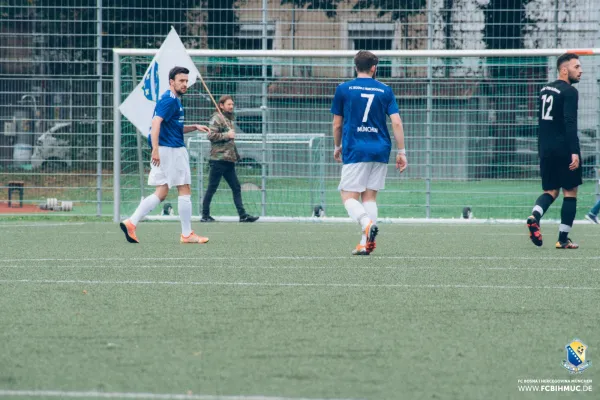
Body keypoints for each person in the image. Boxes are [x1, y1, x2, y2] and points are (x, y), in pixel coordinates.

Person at [120, 66, 211, 244]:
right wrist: (155, 148)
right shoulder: (169, 100)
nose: (185, 84)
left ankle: (131, 222)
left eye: (186, 81)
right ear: (172, 82)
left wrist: (194, 127)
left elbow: (173, 127)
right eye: (181, 81)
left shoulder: (173, 99)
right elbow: (156, 123)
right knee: (184, 188)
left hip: (166, 149)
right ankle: (187, 234)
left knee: (161, 192)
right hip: (172, 150)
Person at [330, 50, 407, 255]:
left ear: (356, 67)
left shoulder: (343, 89)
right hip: (380, 149)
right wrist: (402, 152)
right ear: (374, 68)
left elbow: (337, 124)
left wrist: (337, 147)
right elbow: (396, 122)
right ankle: (366, 243)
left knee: (348, 196)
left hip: (356, 148)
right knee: (370, 197)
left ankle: (365, 223)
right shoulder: (385, 90)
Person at [526, 53, 583, 249]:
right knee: (570, 191)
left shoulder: (544, 90)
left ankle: (534, 216)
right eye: (576, 67)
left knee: (550, 191)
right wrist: (574, 151)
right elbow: (569, 122)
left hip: (545, 148)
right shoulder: (570, 92)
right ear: (564, 70)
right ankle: (563, 239)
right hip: (564, 147)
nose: (580, 70)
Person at [200, 95, 259, 223]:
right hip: (218, 159)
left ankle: (242, 215)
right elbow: (210, 135)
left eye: (232, 104)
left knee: (236, 187)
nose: (231, 106)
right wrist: (227, 135)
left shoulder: (229, 119)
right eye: (228, 104)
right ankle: (205, 215)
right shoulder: (217, 118)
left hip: (229, 160)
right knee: (212, 187)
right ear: (221, 105)